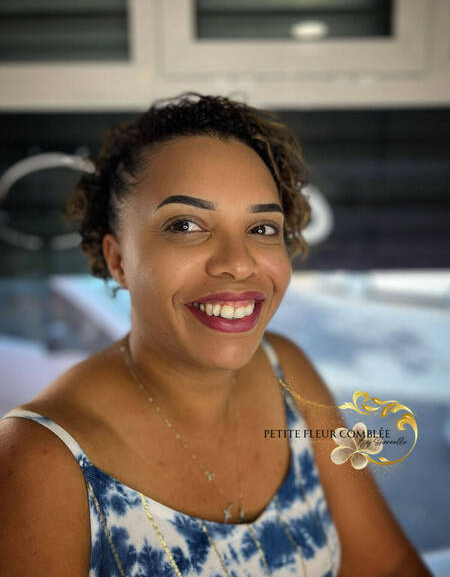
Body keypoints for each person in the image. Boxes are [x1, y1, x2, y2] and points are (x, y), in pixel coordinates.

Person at [0, 93, 430, 576]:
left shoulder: (286, 371)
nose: (239, 263)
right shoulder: (37, 461)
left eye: (262, 228)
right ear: (118, 260)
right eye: (186, 225)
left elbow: (388, 565)